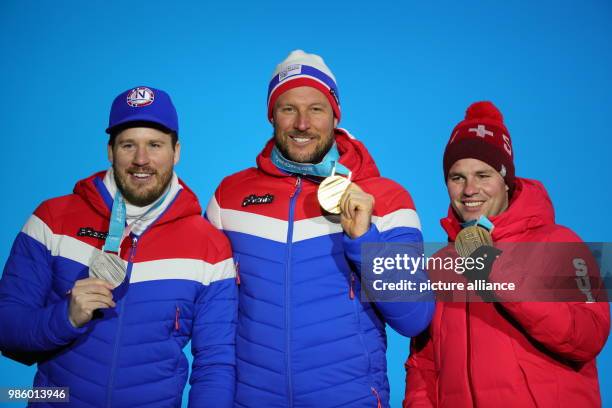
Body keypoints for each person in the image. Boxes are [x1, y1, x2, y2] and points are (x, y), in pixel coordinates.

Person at [206, 50, 434, 408]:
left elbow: (414, 317)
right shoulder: (229, 198)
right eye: (288, 108)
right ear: (271, 116)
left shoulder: (387, 198)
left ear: (334, 115)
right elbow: (212, 325)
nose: (302, 123)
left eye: (316, 108)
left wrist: (363, 240)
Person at [0, 86, 237, 407]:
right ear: (110, 151)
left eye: (155, 145)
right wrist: (65, 318)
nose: (141, 160)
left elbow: (215, 363)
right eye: (129, 145)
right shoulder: (52, 220)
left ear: (176, 151)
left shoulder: (209, 246)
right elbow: (7, 330)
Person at [403, 101, 610, 407]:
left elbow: (588, 337)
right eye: (457, 177)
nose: (469, 190)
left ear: (505, 179)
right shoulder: (440, 265)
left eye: (483, 175)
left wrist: (496, 271)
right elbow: (423, 364)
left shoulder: (561, 242)